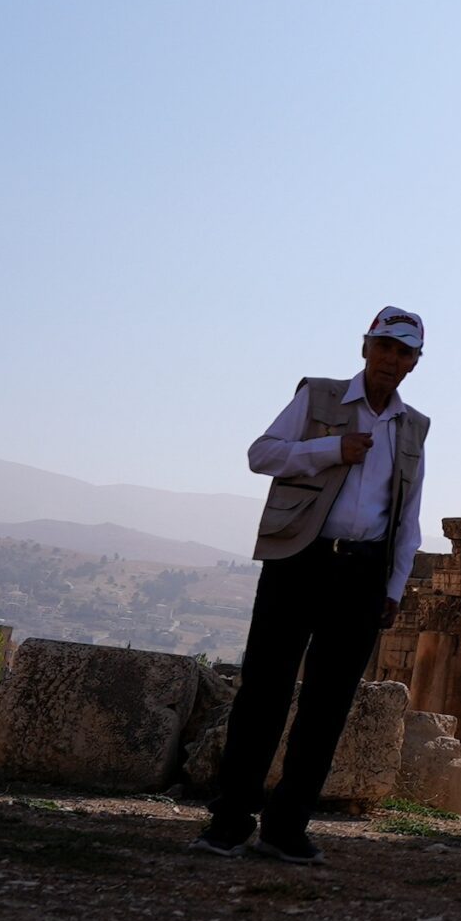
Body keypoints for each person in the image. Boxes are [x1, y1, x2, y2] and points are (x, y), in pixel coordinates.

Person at [191, 307, 430, 863]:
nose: (391, 359)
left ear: (415, 363)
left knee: (329, 704)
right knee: (264, 690)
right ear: (365, 347)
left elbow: (409, 515)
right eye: (384, 346)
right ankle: (229, 822)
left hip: (364, 573)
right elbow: (262, 455)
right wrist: (331, 450)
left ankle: (286, 827)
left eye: (403, 352)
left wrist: (395, 587)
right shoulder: (319, 397)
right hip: (300, 558)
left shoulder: (413, 427)